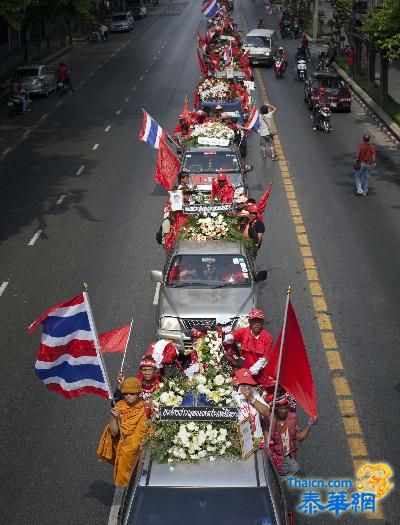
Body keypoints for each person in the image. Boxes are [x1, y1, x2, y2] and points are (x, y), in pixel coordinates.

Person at [97, 377, 148, 487]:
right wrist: (114, 417)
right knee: (123, 487)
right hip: (125, 453)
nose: (128, 396)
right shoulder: (119, 406)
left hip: (142, 454)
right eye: (125, 393)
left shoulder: (147, 408)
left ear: (139, 393)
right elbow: (114, 432)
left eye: (132, 393)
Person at [265, 393, 317, 479]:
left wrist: (309, 425)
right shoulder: (269, 423)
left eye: (285, 407)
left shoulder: (293, 419)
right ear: (275, 409)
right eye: (281, 408)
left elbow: (299, 437)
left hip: (290, 457)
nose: (284, 411)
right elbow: (267, 446)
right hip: (277, 461)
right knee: (294, 469)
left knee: (294, 468)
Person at [224, 309, 273, 384]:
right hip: (243, 368)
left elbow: (264, 360)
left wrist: (250, 372)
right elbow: (231, 337)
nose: (256, 324)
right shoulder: (244, 331)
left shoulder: (267, 337)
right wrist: (223, 338)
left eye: (259, 321)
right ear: (250, 322)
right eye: (254, 321)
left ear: (262, 322)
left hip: (259, 373)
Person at [232, 368, 270, 439]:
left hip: (257, 441)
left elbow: (267, 412)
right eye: (244, 384)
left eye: (248, 384)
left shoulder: (252, 392)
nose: (247, 387)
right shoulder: (232, 396)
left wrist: (251, 398)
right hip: (242, 442)